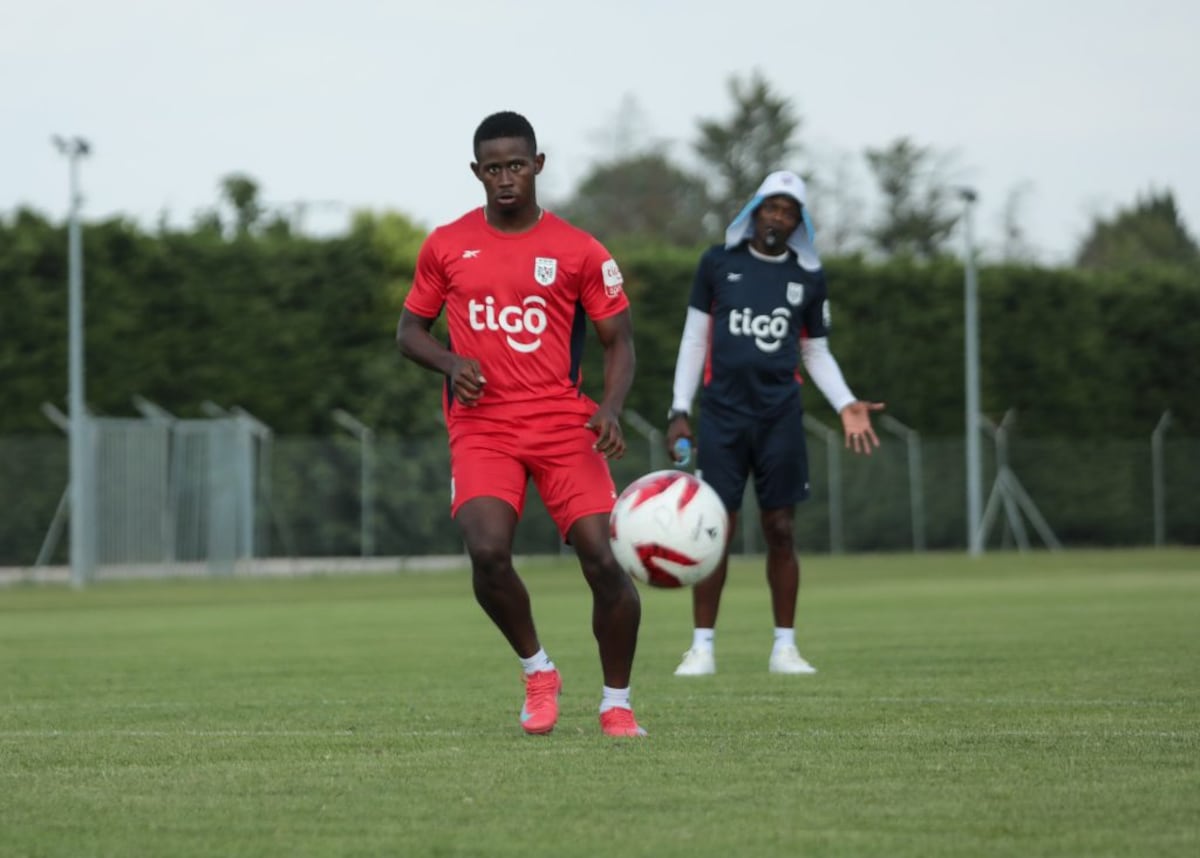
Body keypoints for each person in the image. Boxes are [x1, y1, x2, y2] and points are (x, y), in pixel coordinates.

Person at [396, 111, 646, 737]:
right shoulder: (446, 244)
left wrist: (610, 408)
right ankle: (539, 670)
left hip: (565, 426)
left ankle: (617, 703)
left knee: (602, 561)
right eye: (493, 168)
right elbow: (408, 332)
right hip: (483, 426)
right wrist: (451, 363)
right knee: (486, 553)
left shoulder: (580, 250)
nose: (505, 178)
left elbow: (620, 343)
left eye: (516, 165)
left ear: (538, 165)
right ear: (476, 173)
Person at [665, 170, 884, 677]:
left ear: (798, 222)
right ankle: (702, 647)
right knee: (715, 529)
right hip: (722, 417)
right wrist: (680, 408)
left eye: (789, 212)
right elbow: (694, 340)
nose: (778, 218)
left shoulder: (807, 276)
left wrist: (846, 401)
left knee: (780, 528)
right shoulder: (717, 264)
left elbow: (815, 350)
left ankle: (784, 646)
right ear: (755, 210)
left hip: (780, 418)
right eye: (771, 207)